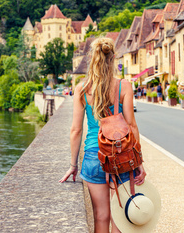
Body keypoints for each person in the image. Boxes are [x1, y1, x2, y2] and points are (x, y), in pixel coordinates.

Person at [59, 37, 146, 233]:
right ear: (113, 58)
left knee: (101, 216)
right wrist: (138, 162)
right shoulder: (124, 86)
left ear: (92, 59)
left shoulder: (82, 88)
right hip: (121, 155)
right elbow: (131, 125)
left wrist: (73, 165)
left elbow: (76, 130)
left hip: (93, 156)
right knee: (120, 217)